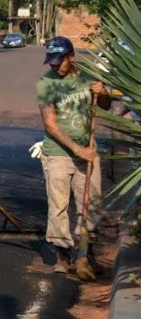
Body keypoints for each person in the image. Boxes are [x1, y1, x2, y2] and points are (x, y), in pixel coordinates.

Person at [36, 36, 111, 273]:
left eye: (60, 61)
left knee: (91, 204)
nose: (55, 66)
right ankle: (62, 255)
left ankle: (85, 254)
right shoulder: (45, 84)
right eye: (52, 62)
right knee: (58, 205)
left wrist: (103, 91)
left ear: (72, 57)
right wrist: (78, 150)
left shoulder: (88, 77)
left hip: (88, 151)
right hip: (58, 153)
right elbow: (50, 124)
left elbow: (106, 105)